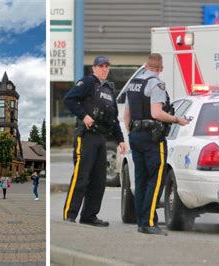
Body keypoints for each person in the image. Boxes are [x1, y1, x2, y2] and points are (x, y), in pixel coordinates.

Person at [124, 53, 190, 235]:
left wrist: (132, 134)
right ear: (160, 68)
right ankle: (149, 222)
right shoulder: (157, 84)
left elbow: (126, 115)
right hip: (152, 139)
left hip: (136, 135)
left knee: (141, 179)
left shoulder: (133, 84)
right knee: (156, 179)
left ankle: (141, 221)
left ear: (146, 65)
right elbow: (156, 113)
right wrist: (177, 120)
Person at [62, 56, 126, 227]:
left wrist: (120, 139)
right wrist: (84, 116)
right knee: (82, 177)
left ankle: (89, 215)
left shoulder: (108, 89)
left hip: (101, 138)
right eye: (101, 66)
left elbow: (113, 119)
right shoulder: (88, 83)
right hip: (86, 136)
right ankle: (70, 214)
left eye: (107, 66)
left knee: (99, 180)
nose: (105, 69)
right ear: (94, 68)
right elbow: (69, 99)